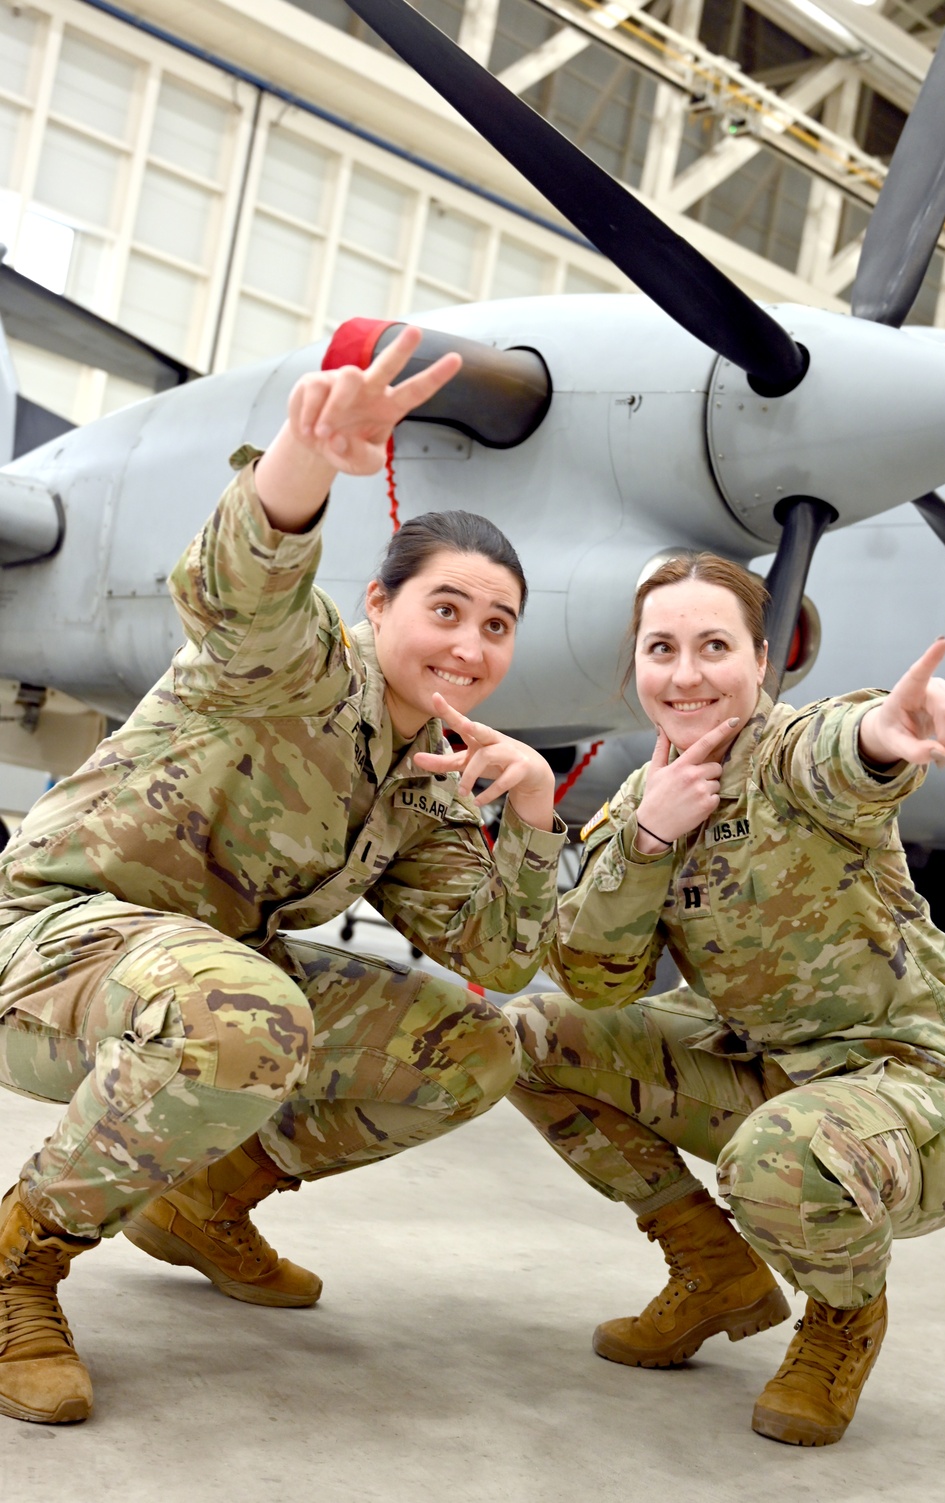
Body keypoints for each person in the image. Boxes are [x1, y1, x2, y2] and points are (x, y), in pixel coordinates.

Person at [0, 325, 565, 1426]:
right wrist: (304, 462)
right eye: (444, 609)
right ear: (378, 608)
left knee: (474, 1047)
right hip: (48, 947)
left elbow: (497, 957)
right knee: (245, 1013)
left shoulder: (434, 782)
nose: (469, 644)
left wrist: (535, 817)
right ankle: (20, 1262)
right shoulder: (290, 668)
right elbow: (236, 588)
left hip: (205, 981)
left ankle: (207, 1205)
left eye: (496, 626)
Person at [505, 552, 945, 1447]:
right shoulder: (640, 802)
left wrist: (890, 727)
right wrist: (650, 839)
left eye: (713, 645)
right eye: (661, 647)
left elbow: (850, 752)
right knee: (530, 1035)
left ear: (761, 659)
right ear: (637, 666)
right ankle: (711, 1270)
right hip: (768, 1068)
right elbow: (591, 977)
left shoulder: (788, 752)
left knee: (776, 1159)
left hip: (916, 1094)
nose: (686, 673)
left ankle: (842, 1319)